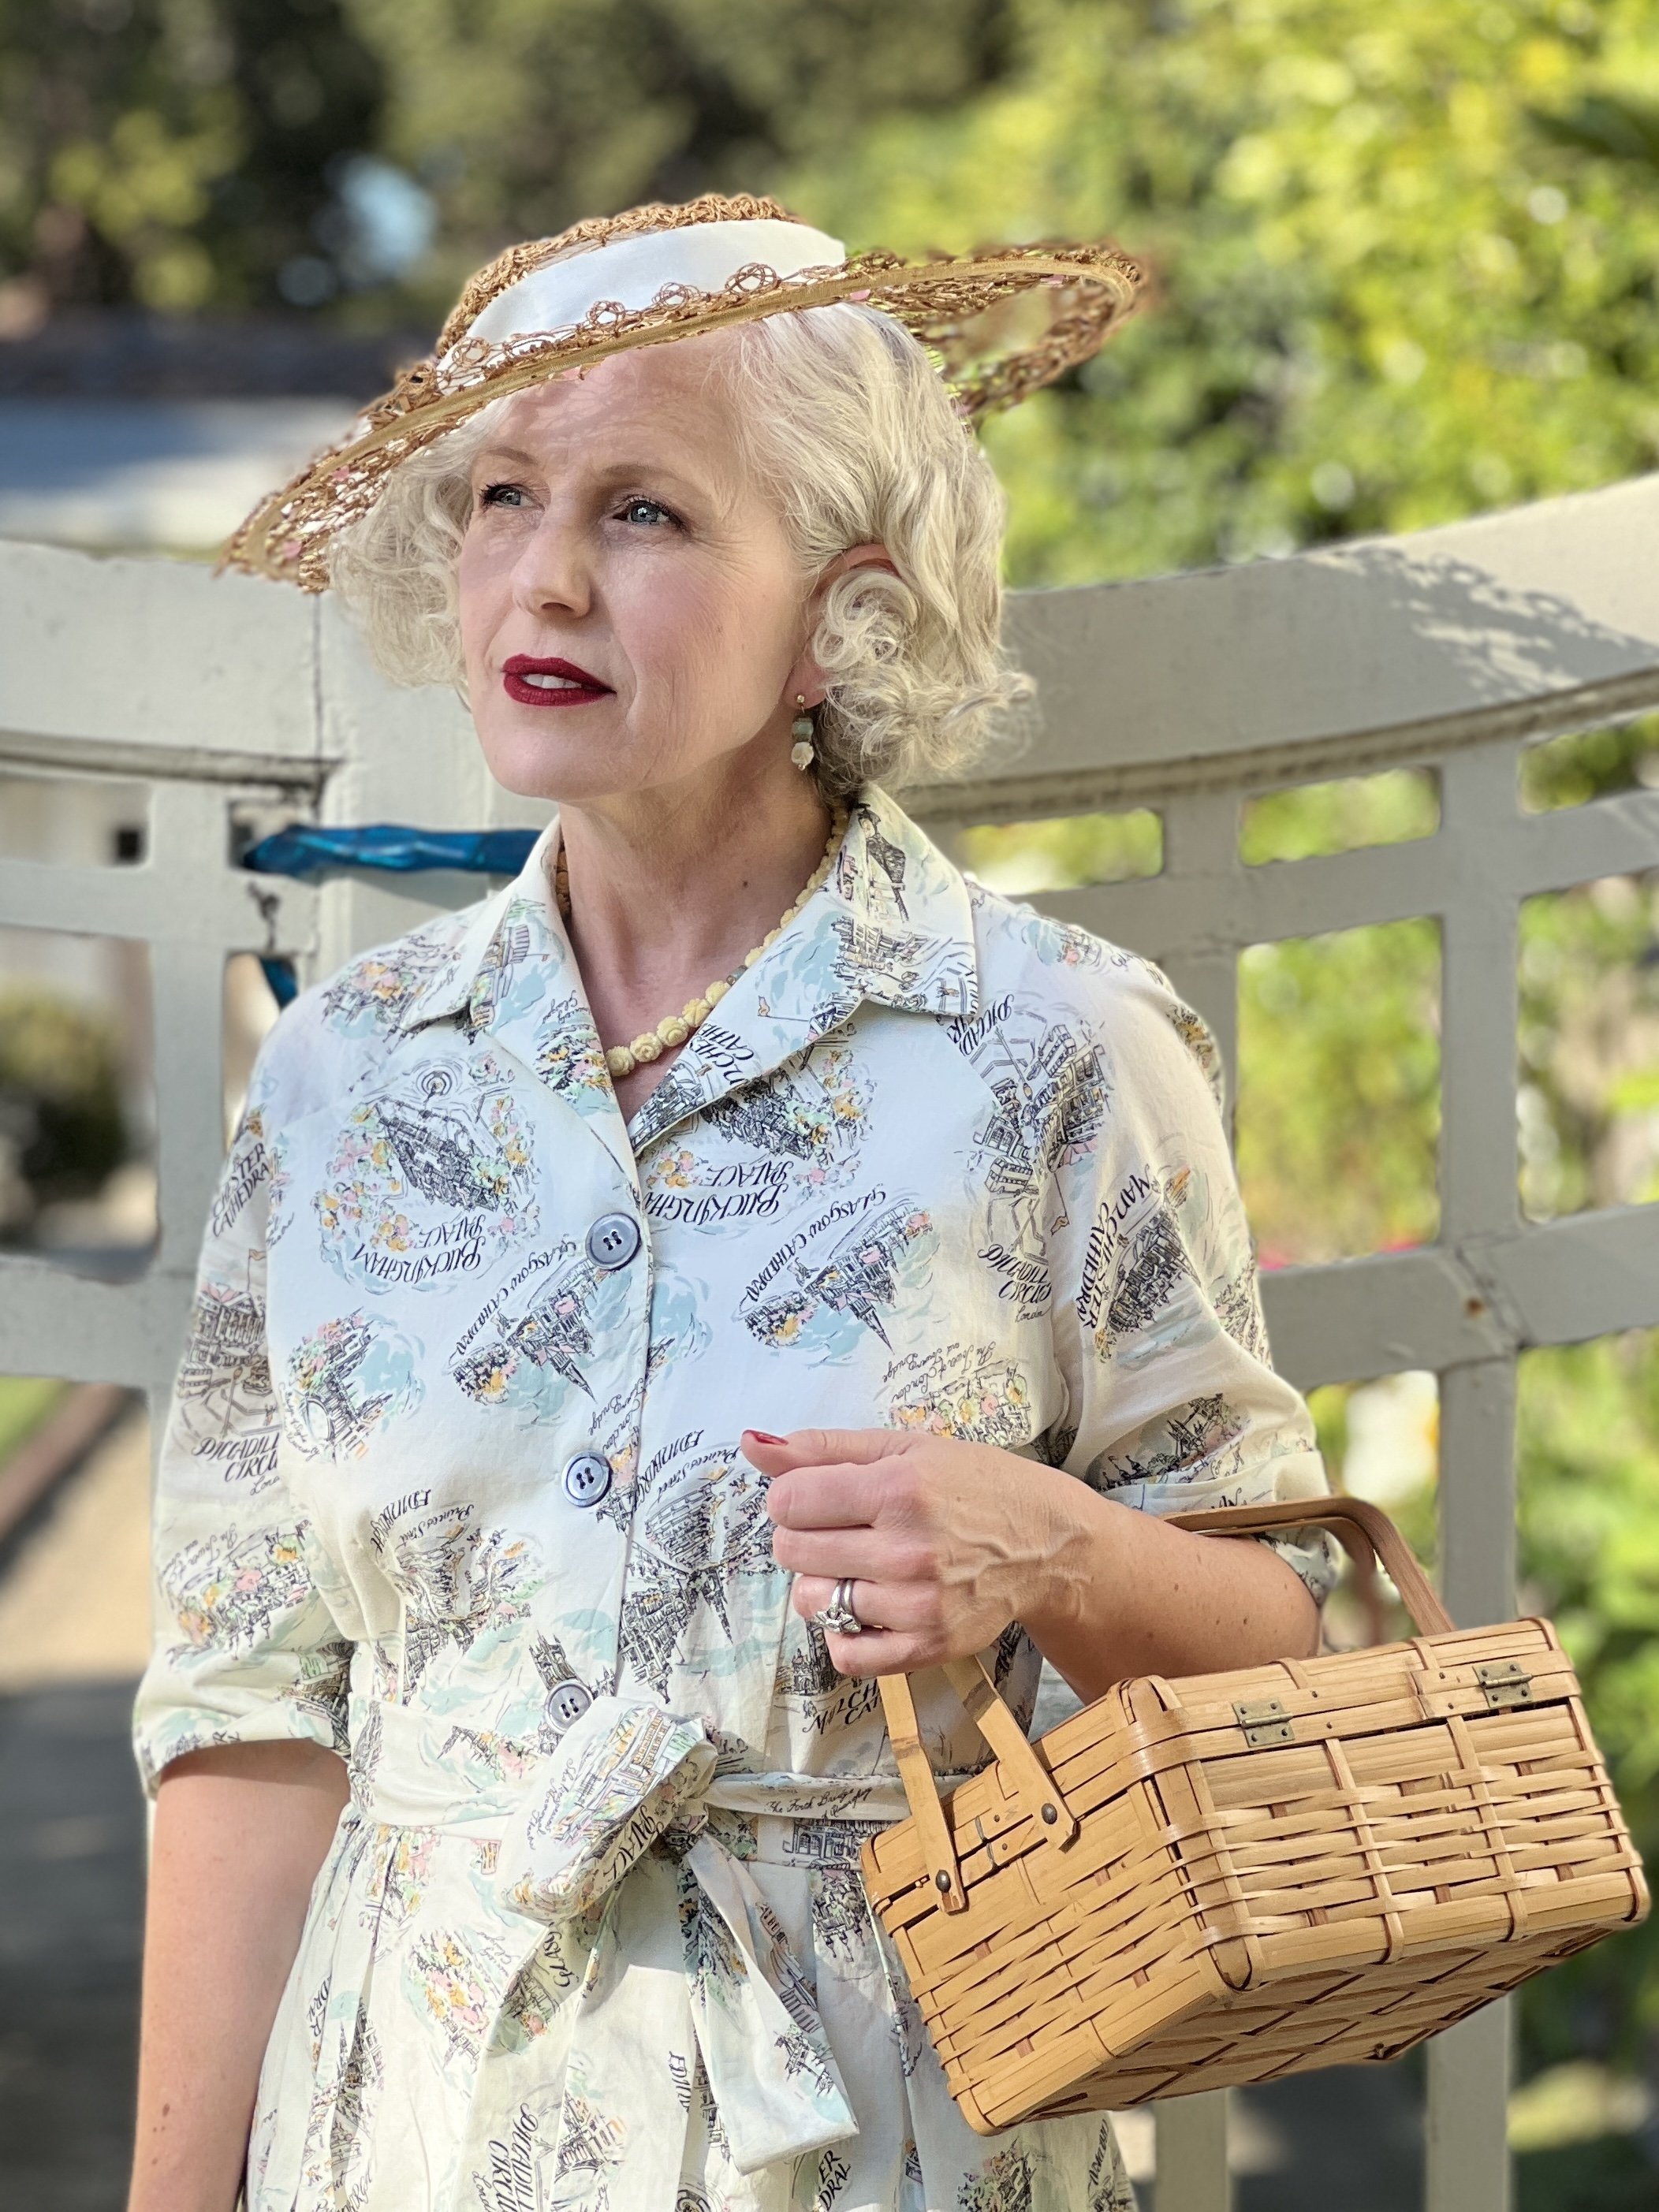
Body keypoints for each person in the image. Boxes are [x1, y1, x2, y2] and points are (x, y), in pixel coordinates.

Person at [129, 193, 1334, 2212]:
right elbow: (251, 1709)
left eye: (645, 512)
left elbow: (1282, 1662)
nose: (545, 573)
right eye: (503, 494)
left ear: (837, 611)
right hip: (405, 2133)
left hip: (897, 2134)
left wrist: (1045, 1544)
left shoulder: (1058, 1047)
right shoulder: (342, 1077)